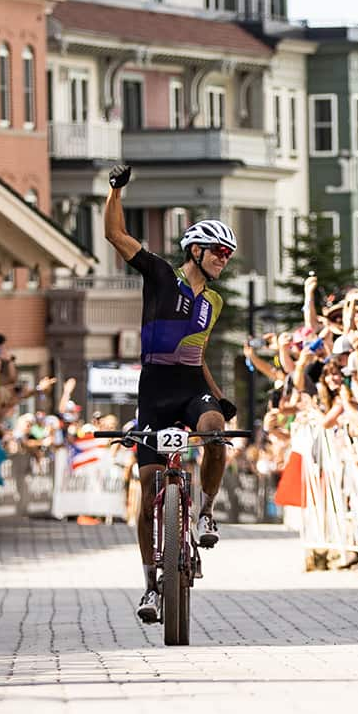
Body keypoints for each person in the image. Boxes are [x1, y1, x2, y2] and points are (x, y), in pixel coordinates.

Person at [101, 164, 238, 624]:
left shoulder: (214, 303)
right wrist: (115, 191)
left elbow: (197, 355)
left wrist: (219, 397)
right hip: (154, 390)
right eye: (218, 250)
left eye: (229, 253)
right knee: (147, 490)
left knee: (216, 430)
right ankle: (151, 587)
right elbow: (115, 234)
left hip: (190, 388)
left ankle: (207, 513)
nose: (224, 258)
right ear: (195, 250)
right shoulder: (161, 274)